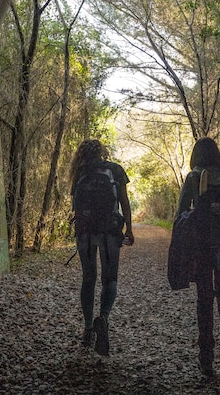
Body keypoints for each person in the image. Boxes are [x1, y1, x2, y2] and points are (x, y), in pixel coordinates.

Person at [177, 137, 220, 377]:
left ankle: (206, 357)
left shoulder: (194, 178)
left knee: (204, 298)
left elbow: (181, 213)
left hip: (202, 244)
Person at [70, 139, 134, 356]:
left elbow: (74, 205)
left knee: (88, 279)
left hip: (86, 232)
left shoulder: (80, 172)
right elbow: (124, 202)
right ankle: (103, 318)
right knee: (110, 279)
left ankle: (88, 329)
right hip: (109, 231)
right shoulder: (115, 170)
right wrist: (129, 230)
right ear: (102, 152)